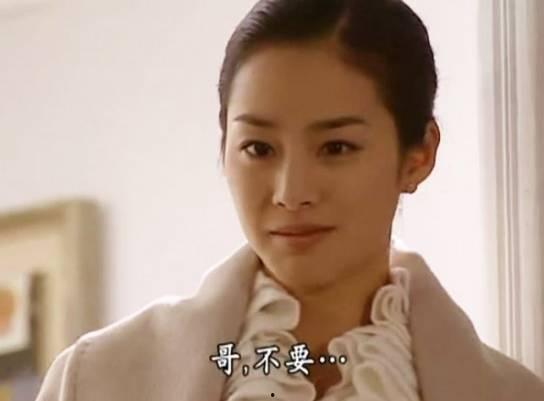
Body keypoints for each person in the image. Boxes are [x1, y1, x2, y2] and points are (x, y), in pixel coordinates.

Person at [36, 0, 544, 400]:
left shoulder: (511, 394)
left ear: (419, 155)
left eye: (336, 147)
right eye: (259, 149)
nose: (291, 192)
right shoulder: (96, 380)